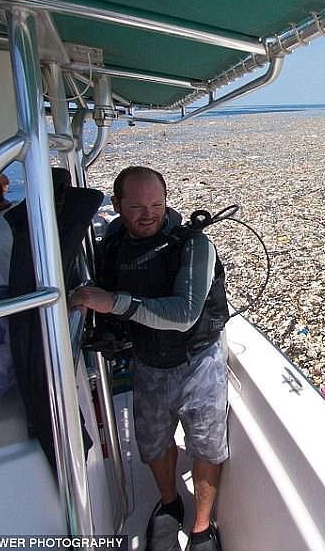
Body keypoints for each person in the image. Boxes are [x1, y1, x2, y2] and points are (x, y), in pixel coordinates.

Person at [70, 166, 229, 551]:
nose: (149, 214)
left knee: (206, 445)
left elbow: (185, 313)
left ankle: (202, 527)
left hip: (198, 361)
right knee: (153, 444)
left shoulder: (192, 246)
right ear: (117, 205)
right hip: (147, 360)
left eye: (157, 204)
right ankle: (170, 502)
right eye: (137, 206)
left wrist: (113, 304)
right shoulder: (112, 244)